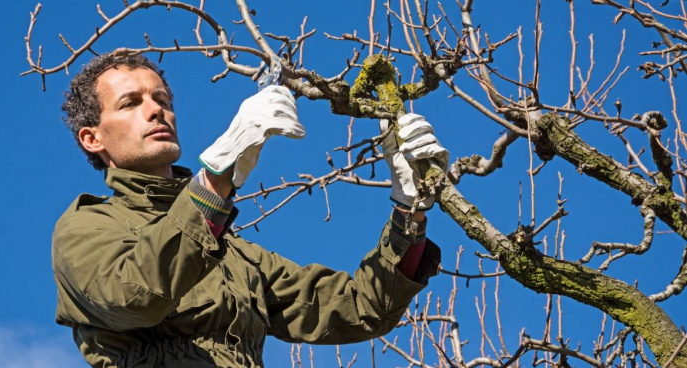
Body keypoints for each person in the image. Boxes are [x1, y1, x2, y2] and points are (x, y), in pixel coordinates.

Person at [52, 53, 448, 368]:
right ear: (92, 138)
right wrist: (216, 178)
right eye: (130, 103)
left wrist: (408, 210)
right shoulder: (85, 230)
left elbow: (361, 308)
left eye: (162, 100)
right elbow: (137, 297)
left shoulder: (235, 255)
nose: (156, 111)